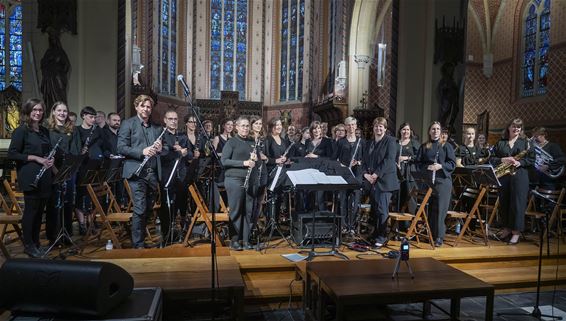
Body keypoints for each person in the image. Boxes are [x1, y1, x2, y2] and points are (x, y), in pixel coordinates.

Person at [8, 98, 54, 258]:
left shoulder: (44, 131)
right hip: (30, 175)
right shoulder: (21, 131)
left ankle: (36, 242)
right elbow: (12, 154)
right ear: (28, 111)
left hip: (45, 176)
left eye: (40, 110)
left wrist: (49, 159)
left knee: (40, 211)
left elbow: (46, 152)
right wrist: (35, 158)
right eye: (34, 110)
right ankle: (28, 244)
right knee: (31, 211)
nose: (38, 113)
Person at [117, 95, 163, 249]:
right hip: (136, 172)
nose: (146, 109)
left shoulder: (156, 128)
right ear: (136, 107)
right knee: (140, 208)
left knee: (149, 208)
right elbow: (121, 147)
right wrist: (142, 151)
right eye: (143, 106)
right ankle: (138, 243)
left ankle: (141, 238)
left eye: (149, 107)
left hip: (151, 173)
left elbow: (165, 149)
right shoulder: (128, 124)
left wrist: (161, 149)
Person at [490, 118, 535, 245]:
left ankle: (516, 232)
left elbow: (532, 159)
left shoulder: (526, 143)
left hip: (519, 176)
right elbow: (492, 158)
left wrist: (520, 162)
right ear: (508, 127)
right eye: (514, 126)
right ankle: (506, 228)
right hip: (504, 176)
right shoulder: (501, 143)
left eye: (519, 127)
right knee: (504, 202)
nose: (516, 129)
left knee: (517, 203)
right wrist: (503, 159)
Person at [416, 121, 456, 247]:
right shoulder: (424, 146)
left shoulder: (446, 146)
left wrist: (440, 166)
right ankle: (431, 235)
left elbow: (452, 164)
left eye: (438, 129)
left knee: (440, 209)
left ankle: (439, 237)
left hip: (442, 182)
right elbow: (418, 163)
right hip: (429, 181)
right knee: (431, 208)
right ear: (429, 131)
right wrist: (427, 167)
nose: (436, 131)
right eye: (433, 129)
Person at [46, 101, 81, 245]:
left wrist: (68, 170)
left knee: (67, 203)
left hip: (68, 171)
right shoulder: (46, 129)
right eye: (59, 110)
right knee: (53, 203)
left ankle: (66, 234)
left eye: (64, 111)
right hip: (51, 169)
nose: (62, 113)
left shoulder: (72, 129)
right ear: (53, 112)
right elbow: (46, 150)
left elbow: (75, 151)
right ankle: (53, 236)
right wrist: (54, 169)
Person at [361, 117, 399, 248]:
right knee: (375, 210)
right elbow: (364, 161)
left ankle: (382, 236)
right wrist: (366, 174)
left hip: (385, 181)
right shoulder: (369, 143)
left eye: (381, 126)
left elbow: (389, 161)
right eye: (376, 126)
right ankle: (376, 233)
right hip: (372, 181)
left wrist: (376, 174)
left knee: (383, 210)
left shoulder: (390, 141)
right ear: (373, 128)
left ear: (385, 128)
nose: (378, 128)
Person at [221, 116, 256, 251]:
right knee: (236, 210)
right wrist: (244, 163)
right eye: (243, 126)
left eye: (247, 126)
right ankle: (234, 240)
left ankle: (246, 240)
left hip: (249, 180)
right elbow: (224, 161)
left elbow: (254, 162)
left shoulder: (252, 142)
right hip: (234, 180)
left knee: (247, 211)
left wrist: (255, 159)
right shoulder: (232, 142)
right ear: (237, 127)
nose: (245, 128)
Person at [159, 110, 190, 244]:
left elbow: (189, 157)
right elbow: (162, 154)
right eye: (170, 119)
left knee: (180, 204)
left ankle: (179, 231)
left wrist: (185, 153)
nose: (173, 121)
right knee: (167, 206)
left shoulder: (182, 136)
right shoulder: (161, 136)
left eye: (175, 119)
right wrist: (175, 150)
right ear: (165, 120)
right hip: (167, 176)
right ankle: (167, 234)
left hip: (181, 175)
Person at [75, 106, 104, 234]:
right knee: (81, 196)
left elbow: (103, 146)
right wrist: (81, 151)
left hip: (96, 166)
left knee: (94, 197)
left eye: (94, 117)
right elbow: (74, 148)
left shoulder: (97, 131)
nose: (93, 120)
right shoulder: (77, 130)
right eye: (91, 117)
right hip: (82, 166)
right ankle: (82, 224)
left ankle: (91, 223)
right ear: (83, 116)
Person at [334, 117, 364, 233]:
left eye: (353, 125)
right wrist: (341, 165)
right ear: (345, 127)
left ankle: (353, 226)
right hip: (344, 174)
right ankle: (344, 225)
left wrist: (359, 162)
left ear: (356, 126)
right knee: (343, 200)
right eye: (348, 125)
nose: (351, 127)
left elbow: (365, 158)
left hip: (357, 174)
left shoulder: (361, 142)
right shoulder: (341, 142)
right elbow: (334, 158)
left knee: (355, 201)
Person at [305, 121, 334, 211]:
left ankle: (322, 216)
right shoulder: (307, 141)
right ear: (311, 130)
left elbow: (330, 157)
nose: (317, 130)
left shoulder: (327, 141)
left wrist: (316, 156)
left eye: (318, 128)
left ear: (321, 130)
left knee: (320, 196)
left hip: (322, 171)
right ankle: (310, 217)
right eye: (314, 128)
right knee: (309, 195)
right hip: (310, 171)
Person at [396, 122, 420, 214]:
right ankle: (397, 225)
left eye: (407, 129)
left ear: (410, 131)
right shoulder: (396, 142)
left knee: (410, 198)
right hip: (398, 173)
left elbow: (419, 157)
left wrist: (407, 158)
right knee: (398, 197)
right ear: (400, 131)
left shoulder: (414, 143)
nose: (405, 131)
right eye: (403, 129)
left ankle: (409, 225)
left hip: (410, 174)